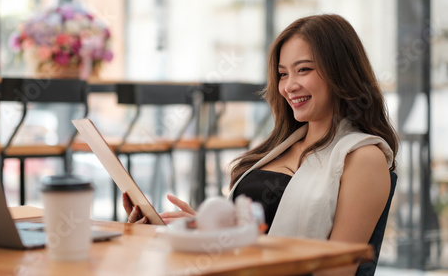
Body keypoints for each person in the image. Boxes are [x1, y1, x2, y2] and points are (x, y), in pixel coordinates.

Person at [123, 14, 398, 275]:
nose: (289, 86)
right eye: (282, 74)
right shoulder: (279, 147)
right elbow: (247, 238)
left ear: (341, 72)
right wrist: (198, 230)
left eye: (303, 70)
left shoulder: (363, 158)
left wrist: (231, 250)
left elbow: (337, 270)